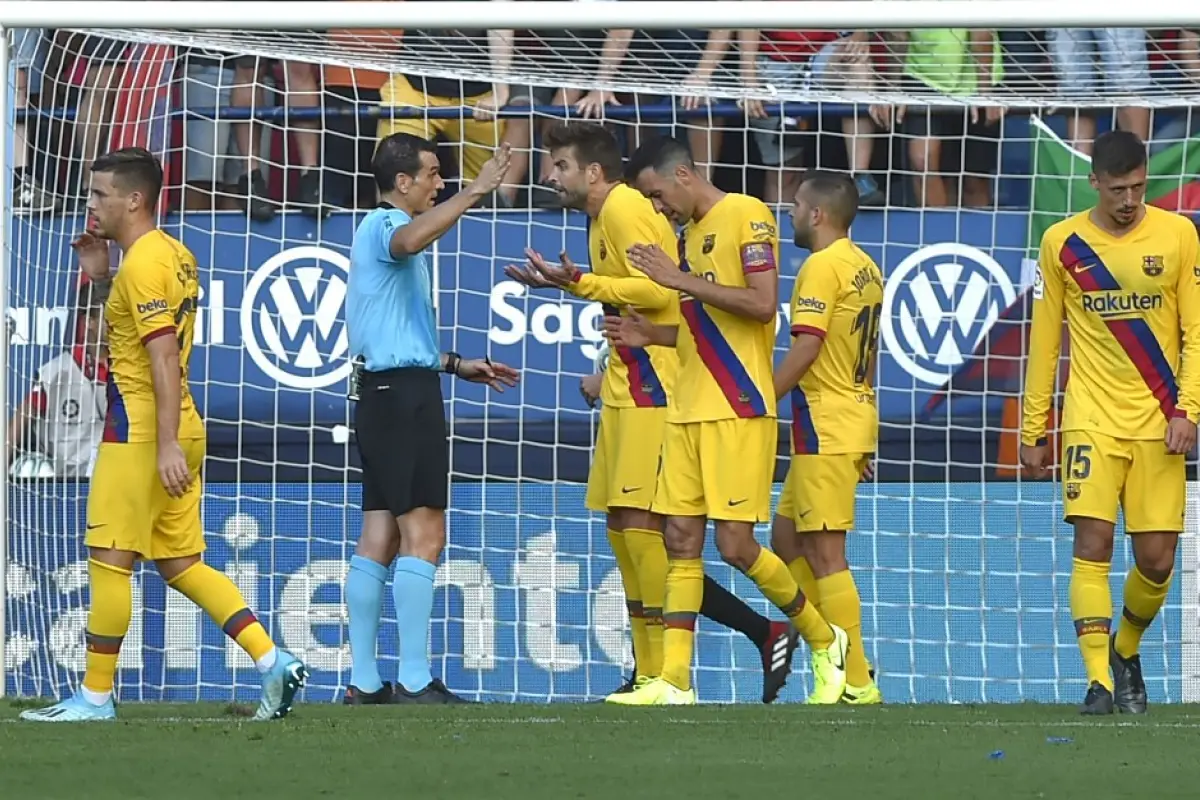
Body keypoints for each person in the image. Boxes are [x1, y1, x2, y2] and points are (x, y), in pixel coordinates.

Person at [504, 121, 800, 704]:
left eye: (558, 166)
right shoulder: (600, 218)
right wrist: (578, 296)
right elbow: (632, 300)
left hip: (658, 392)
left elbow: (665, 292)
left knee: (653, 536)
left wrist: (583, 282)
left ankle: (664, 670)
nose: (547, 176)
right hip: (626, 387)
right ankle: (657, 668)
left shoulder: (623, 209)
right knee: (626, 532)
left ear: (592, 171)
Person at [21, 148, 307, 723]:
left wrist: (167, 441)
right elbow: (130, 334)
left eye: (101, 194)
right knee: (180, 565)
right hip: (174, 426)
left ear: (134, 199)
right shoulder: (170, 256)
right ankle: (272, 659)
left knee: (109, 559)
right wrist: (102, 280)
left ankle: (95, 698)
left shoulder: (147, 263)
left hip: (145, 433)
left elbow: (161, 353)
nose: (91, 204)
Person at [604, 137, 848, 706]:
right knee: (680, 539)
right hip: (689, 407)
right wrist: (654, 334)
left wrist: (675, 279)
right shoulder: (687, 237)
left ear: (684, 174)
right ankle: (675, 681)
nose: (658, 207)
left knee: (736, 546)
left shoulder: (748, 214)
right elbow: (706, 327)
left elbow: (763, 306)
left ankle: (820, 635)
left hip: (737, 407)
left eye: (658, 194)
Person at [1020, 130, 1200, 715]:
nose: (1129, 199)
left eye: (1139, 187)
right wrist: (1032, 428)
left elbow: (1196, 332)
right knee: (1091, 542)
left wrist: (1187, 410)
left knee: (1156, 558)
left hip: (1158, 419)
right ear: (1094, 181)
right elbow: (1044, 341)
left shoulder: (1178, 234)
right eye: (1119, 188)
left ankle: (1125, 651)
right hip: (1090, 418)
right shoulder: (1062, 242)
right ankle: (1099, 682)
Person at [341, 133, 518, 705]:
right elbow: (411, 238)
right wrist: (474, 190)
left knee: (379, 536)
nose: (438, 182)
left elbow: (393, 334)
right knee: (425, 533)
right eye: (433, 174)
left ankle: (365, 682)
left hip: (387, 390)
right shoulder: (382, 227)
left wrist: (455, 364)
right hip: (401, 399)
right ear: (402, 183)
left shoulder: (381, 238)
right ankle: (414, 679)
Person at [771, 171, 884, 705]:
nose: (789, 214)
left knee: (825, 554)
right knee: (785, 540)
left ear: (817, 215)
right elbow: (867, 355)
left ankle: (855, 678)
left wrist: (758, 397)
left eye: (795, 206)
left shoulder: (820, 267)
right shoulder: (866, 266)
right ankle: (836, 651)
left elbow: (808, 348)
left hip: (825, 420)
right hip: (848, 418)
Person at [8, 293, 108, 478]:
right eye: (109, 316)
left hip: (119, 477)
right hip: (68, 485)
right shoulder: (57, 371)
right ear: (89, 322)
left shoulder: (132, 368)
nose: (117, 323)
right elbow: (24, 413)